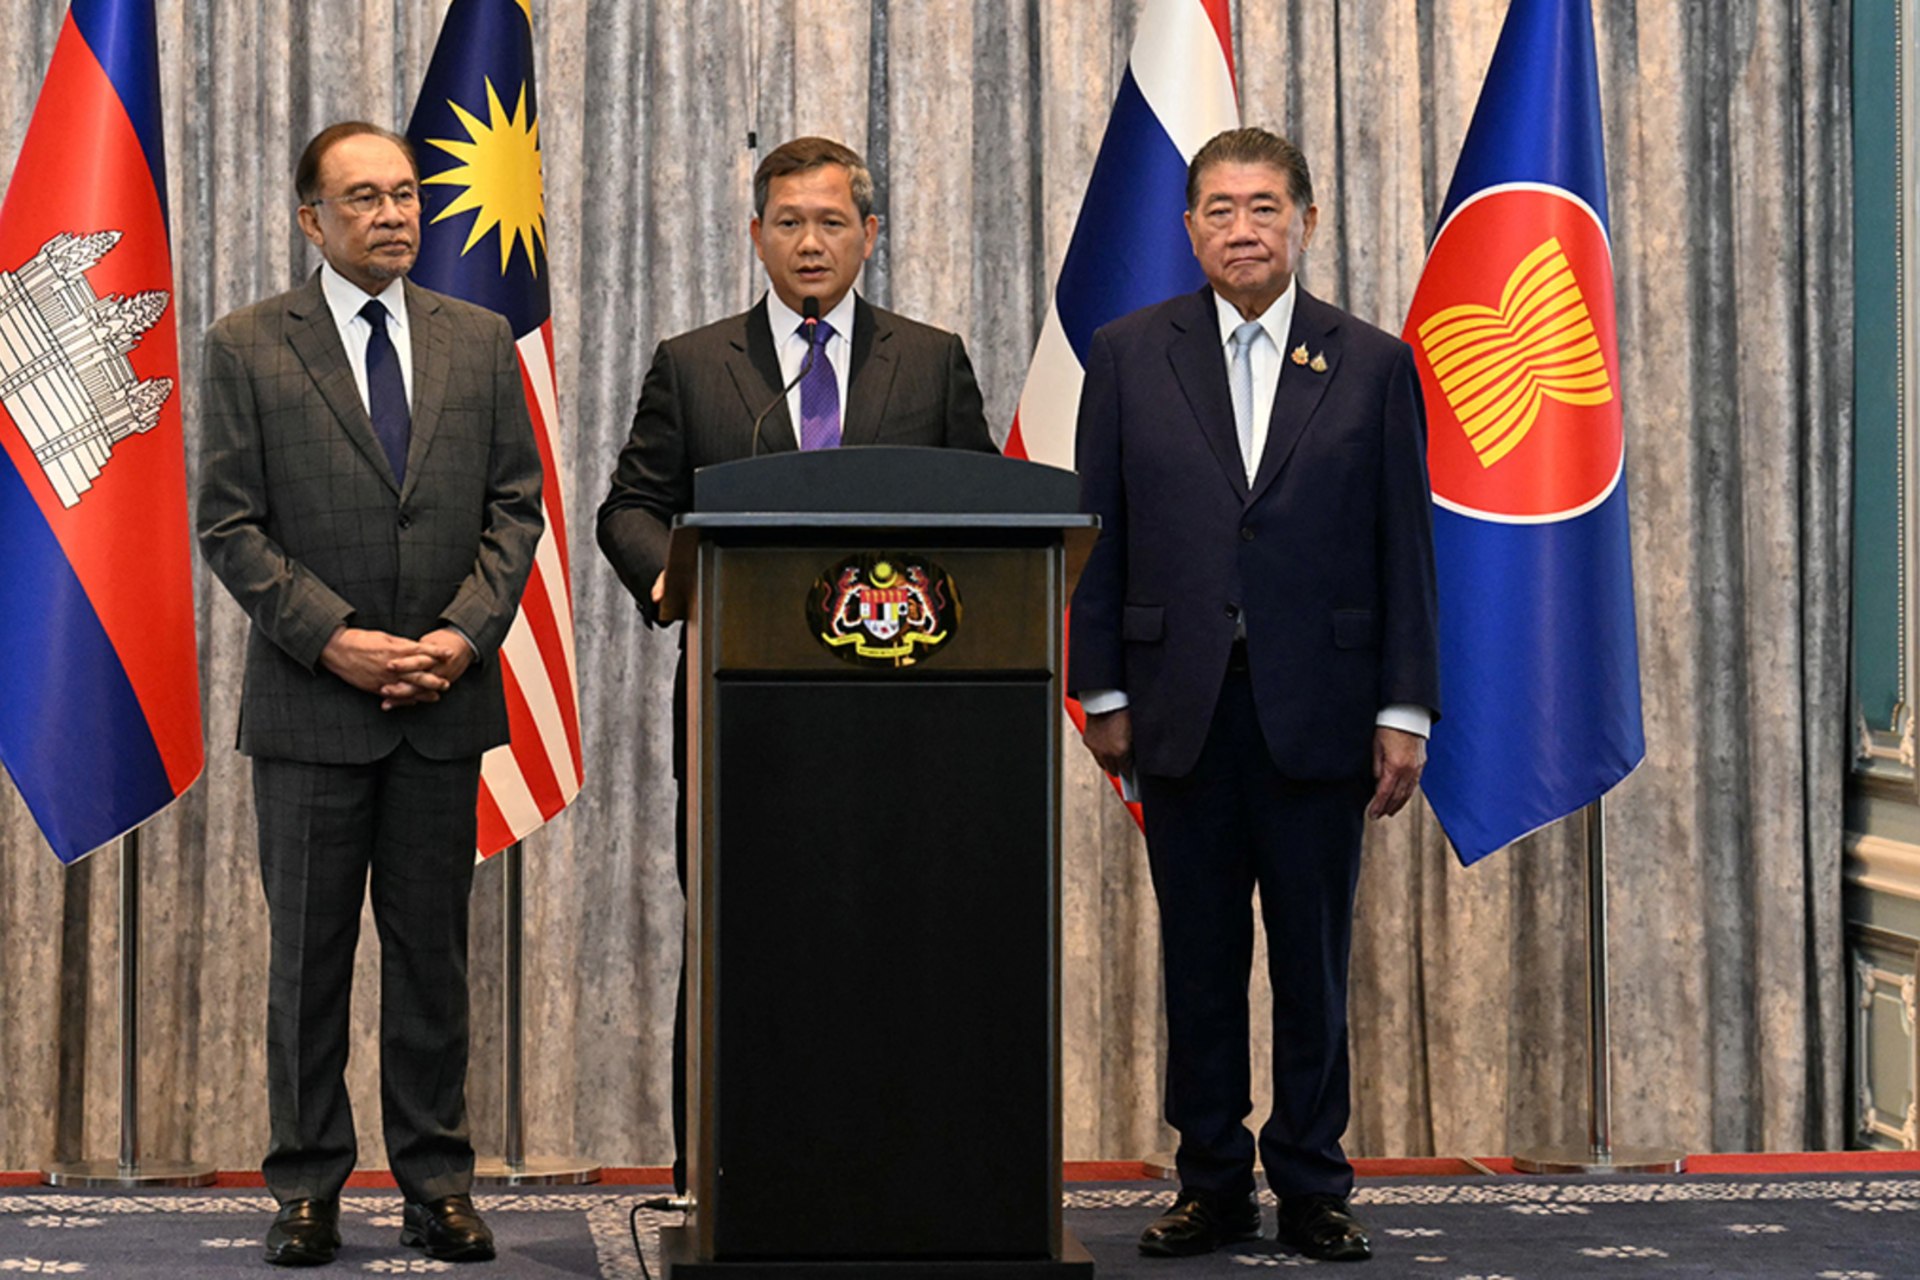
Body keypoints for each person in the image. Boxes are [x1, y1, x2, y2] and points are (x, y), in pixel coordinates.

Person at [1067, 127, 1439, 1263]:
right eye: (1220, 208)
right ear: (1189, 229)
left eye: (1265, 205)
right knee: (1201, 957)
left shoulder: (1371, 362)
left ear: (1307, 222)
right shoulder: (1129, 354)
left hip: (1322, 710)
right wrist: (1102, 687)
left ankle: (1316, 1183)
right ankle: (1213, 1179)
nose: (1243, 226)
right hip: (1178, 709)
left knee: (1314, 961)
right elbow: (1098, 537)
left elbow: (1404, 549)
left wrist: (1405, 709)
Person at [596, 135, 996, 1190]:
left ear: (871, 233)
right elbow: (629, 506)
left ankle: (900, 1171)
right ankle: (725, 1177)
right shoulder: (694, 362)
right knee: (741, 947)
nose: (810, 242)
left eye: (831, 221)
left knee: (900, 940)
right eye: (789, 222)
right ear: (756, 235)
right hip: (742, 717)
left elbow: (987, 514)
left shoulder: (932, 355)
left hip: (908, 714)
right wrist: (672, 582)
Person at [198, 121, 543, 1268]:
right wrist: (334, 638)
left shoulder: (481, 338)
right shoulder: (247, 346)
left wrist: (459, 634)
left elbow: (514, 508)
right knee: (307, 962)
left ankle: (436, 1180)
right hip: (311, 710)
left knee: (431, 957)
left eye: (405, 194)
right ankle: (305, 1187)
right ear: (312, 219)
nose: (394, 215)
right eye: (364, 199)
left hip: (444, 702)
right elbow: (230, 525)